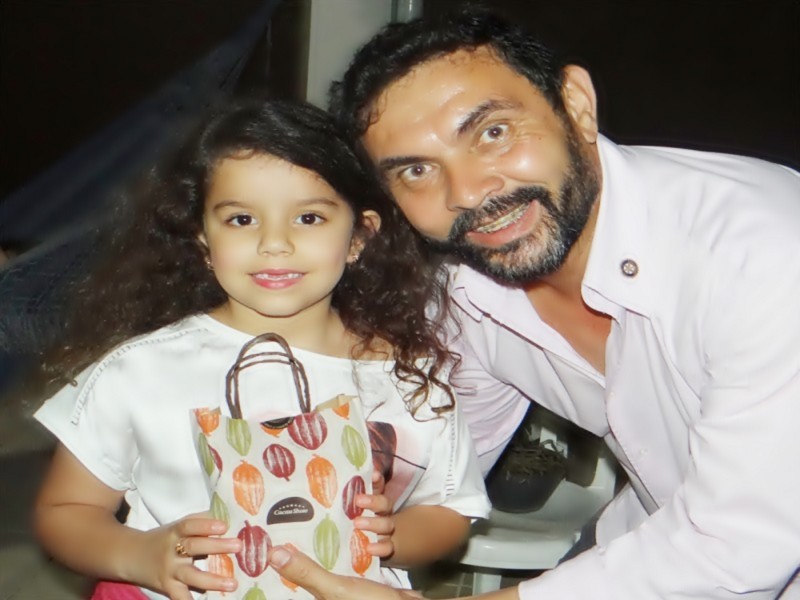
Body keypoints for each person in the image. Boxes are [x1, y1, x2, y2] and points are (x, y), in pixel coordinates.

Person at [267, 7, 800, 600]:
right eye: (417, 170)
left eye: (493, 133)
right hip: (653, 535)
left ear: (576, 103)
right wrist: (268, 529)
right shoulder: (470, 292)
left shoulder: (765, 254)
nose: (468, 193)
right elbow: (439, 467)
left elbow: (736, 551)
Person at [32, 98, 490, 600]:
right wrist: (138, 554)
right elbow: (65, 511)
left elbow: (450, 510)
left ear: (359, 236)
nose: (275, 243)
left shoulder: (407, 379)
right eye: (241, 220)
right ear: (203, 241)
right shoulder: (140, 370)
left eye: (309, 218)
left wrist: (394, 536)